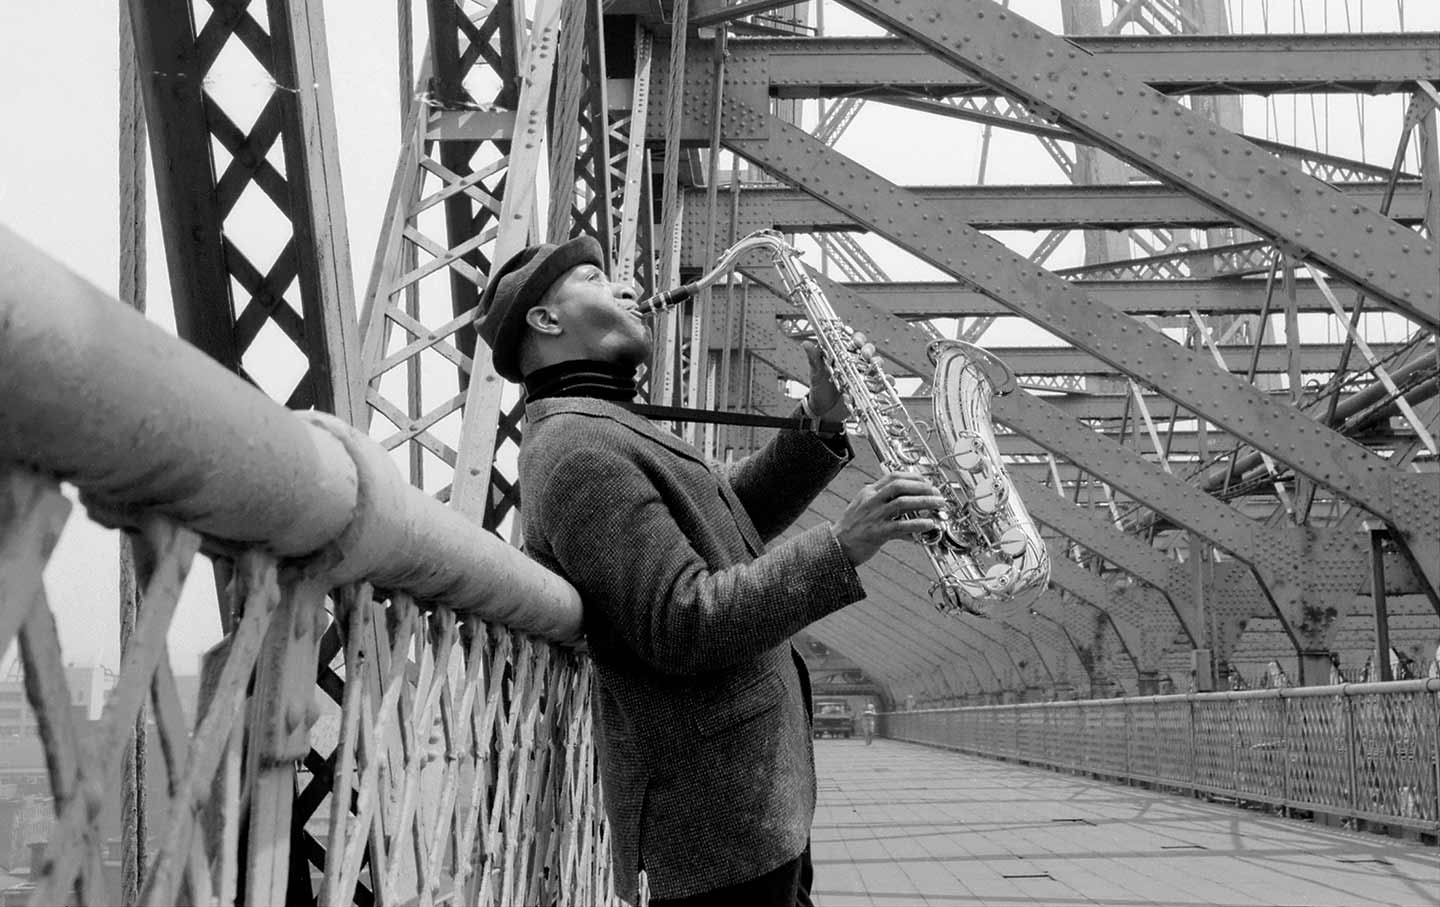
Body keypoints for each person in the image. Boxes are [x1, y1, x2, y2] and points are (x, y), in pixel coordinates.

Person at [476, 235, 944, 907]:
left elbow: (726, 514)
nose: (631, 284)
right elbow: (683, 620)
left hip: (747, 814)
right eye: (596, 278)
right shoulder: (578, 449)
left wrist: (819, 418)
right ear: (545, 321)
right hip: (719, 833)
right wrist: (841, 546)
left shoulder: (599, 425)